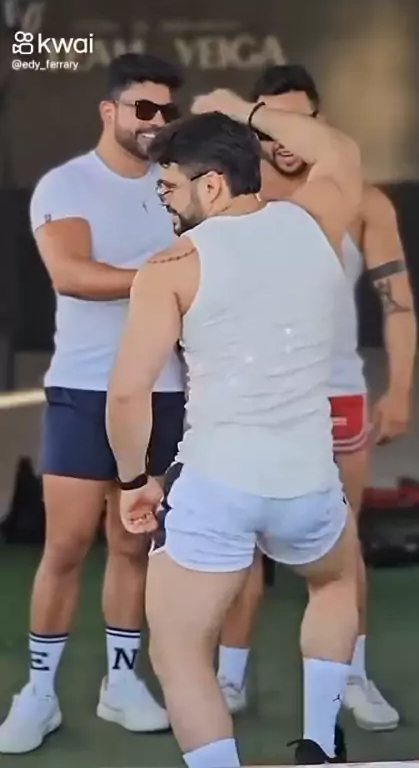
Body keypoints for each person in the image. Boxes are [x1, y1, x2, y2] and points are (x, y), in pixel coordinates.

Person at [106, 89, 363, 768]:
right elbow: (339, 152)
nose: (164, 202)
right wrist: (245, 110)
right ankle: (319, 742)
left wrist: (134, 481)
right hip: (308, 483)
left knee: (179, 650)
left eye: (169, 187)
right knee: (336, 581)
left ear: (212, 185)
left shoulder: (171, 267)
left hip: (217, 486)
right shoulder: (316, 222)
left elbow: (128, 394)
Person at [218, 65, 417, 731]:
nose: (284, 138)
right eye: (270, 122)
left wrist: (401, 389)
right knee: (240, 541)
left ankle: (352, 673)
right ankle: (229, 677)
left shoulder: (362, 200)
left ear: (319, 122)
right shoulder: (233, 193)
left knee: (343, 539)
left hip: (336, 393)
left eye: (297, 121)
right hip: (250, 395)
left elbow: (398, 304)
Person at [0, 53, 186, 754]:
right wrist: (166, 277)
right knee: (67, 544)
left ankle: (121, 683)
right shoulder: (66, 183)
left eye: (167, 110)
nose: (157, 121)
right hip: (84, 388)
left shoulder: (180, 185)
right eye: (144, 108)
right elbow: (72, 274)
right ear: (110, 111)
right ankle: (39, 693)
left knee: (133, 543)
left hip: (164, 390)